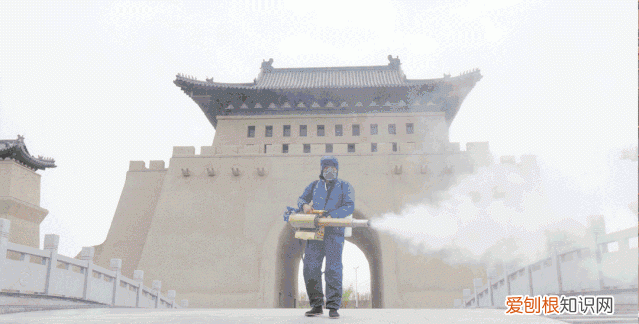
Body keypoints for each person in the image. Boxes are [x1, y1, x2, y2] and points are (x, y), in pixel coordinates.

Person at [297, 156, 354, 319]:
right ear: (322, 169)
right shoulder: (314, 186)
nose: (331, 171)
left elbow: (349, 205)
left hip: (334, 232)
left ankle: (333, 306)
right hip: (316, 231)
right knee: (310, 267)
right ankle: (316, 305)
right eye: (327, 168)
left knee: (333, 269)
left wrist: (332, 215)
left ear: (337, 170)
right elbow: (301, 199)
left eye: (334, 168)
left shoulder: (345, 186)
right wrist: (304, 205)